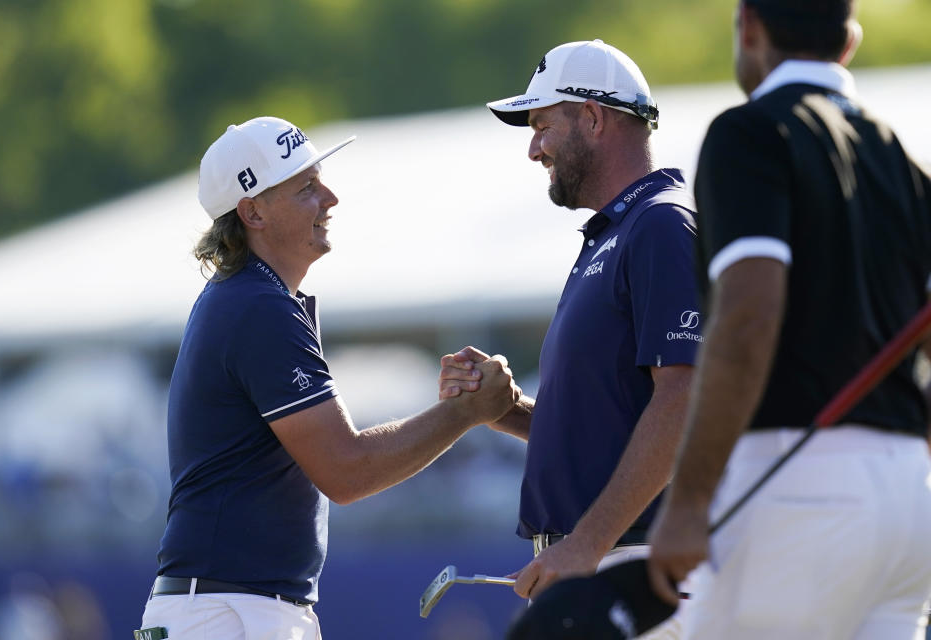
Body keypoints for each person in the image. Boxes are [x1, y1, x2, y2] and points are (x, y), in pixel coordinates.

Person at [136, 116, 521, 640]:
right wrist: (465, 412)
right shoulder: (257, 306)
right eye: (306, 188)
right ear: (253, 211)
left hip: (229, 605)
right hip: (231, 611)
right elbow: (347, 471)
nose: (331, 198)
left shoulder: (250, 299)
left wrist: (464, 412)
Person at [647, 1, 931, 638]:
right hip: (909, 500)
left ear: (749, 26)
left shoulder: (748, 134)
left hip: (800, 488)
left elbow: (747, 317)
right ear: (849, 41)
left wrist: (688, 500)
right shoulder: (903, 163)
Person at [441, 40, 701, 637]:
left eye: (540, 125)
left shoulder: (659, 224)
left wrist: (585, 545)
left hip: (634, 566)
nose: (533, 149)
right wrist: (502, 411)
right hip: (601, 559)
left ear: (592, 116)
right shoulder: (616, 234)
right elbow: (609, 424)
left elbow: (684, 400)